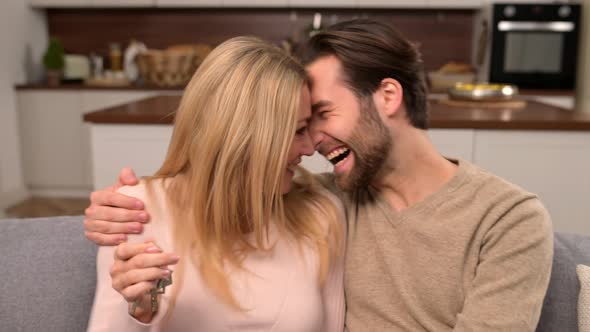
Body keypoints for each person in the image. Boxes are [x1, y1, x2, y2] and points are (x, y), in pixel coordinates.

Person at [84, 20, 553, 331]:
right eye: (300, 127)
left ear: (387, 97)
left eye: (322, 114)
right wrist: (122, 207)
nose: (312, 144)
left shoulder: (508, 219)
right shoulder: (324, 197)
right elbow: (223, 184)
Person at [86, 36, 346, 331]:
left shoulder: (320, 215)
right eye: (299, 130)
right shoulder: (134, 213)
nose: (310, 148)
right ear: (243, 136)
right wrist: (139, 312)